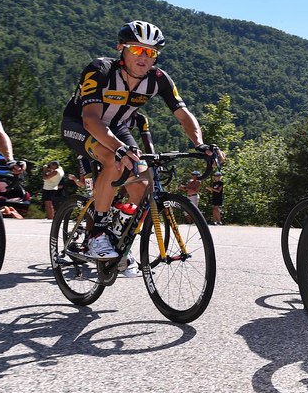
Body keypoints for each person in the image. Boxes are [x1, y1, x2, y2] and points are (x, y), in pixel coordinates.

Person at [61, 20, 220, 261]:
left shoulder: (159, 79)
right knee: (112, 160)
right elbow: (91, 120)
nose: (143, 57)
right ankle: (96, 234)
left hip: (117, 128)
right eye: (136, 49)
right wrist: (119, 149)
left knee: (143, 180)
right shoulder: (100, 70)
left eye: (150, 52)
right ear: (121, 48)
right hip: (81, 125)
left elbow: (183, 115)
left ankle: (118, 235)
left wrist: (200, 144)